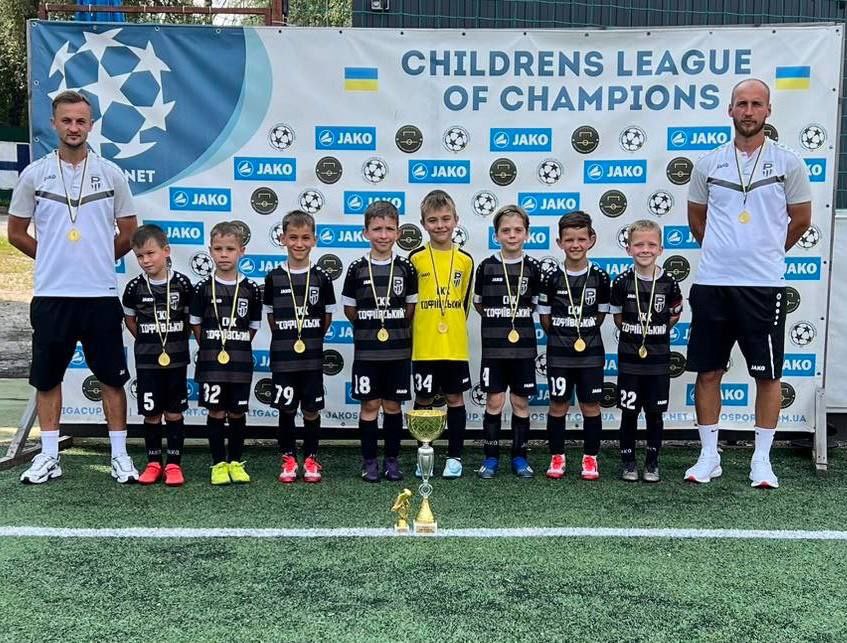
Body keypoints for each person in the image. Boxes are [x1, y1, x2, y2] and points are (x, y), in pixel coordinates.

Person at [685, 78, 812, 489]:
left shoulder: (789, 163)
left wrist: (766, 254)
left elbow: (801, 220)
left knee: (768, 376)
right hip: (713, 283)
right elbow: (697, 221)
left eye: (757, 104)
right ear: (730, 110)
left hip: (763, 286)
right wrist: (725, 254)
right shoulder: (708, 164)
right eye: (742, 103)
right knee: (708, 372)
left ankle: (761, 460)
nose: (749, 111)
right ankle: (709, 456)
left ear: (768, 111)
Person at [9, 90, 139, 484]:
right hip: (52, 295)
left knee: (112, 378)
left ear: (91, 125)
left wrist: (96, 258)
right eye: (66, 120)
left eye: (81, 121)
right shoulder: (35, 174)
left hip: (100, 295)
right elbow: (16, 232)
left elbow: (129, 232)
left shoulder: (111, 174)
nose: (73, 127)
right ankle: (49, 455)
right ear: (54, 124)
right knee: (47, 378)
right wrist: (53, 257)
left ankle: (120, 455)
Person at [342, 201, 418, 482]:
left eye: (389, 229)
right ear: (366, 232)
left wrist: (390, 325)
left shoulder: (406, 268)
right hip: (367, 352)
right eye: (377, 229)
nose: (383, 235)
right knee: (370, 406)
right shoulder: (357, 269)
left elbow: (410, 309)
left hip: (397, 351)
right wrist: (371, 326)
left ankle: (392, 460)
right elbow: (350, 310)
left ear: (398, 233)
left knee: (393, 406)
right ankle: (369, 460)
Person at [538, 211, 610, 480]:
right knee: (558, 406)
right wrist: (563, 336)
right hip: (559, 354)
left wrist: (582, 331)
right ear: (559, 242)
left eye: (581, 239)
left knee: (591, 407)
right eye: (569, 239)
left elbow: (600, 315)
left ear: (591, 240)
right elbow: (545, 319)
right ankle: (557, 456)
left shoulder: (600, 277)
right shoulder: (551, 277)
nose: (575, 244)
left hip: (591, 353)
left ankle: (590, 458)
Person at [264, 210, 335, 483]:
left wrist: (309, 338)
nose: (299, 243)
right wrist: (289, 337)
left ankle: (312, 458)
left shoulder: (322, 277)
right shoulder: (273, 277)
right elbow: (271, 318)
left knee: (311, 409)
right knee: (286, 408)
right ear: (283, 238)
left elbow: (326, 318)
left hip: (312, 358)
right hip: (283, 357)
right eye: (293, 237)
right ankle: (288, 458)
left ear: (314, 240)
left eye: (305, 237)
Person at [189, 222, 262, 485]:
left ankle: (236, 462)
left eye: (230, 249)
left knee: (238, 413)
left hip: (240, 364)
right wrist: (214, 345)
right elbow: (196, 324)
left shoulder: (251, 289)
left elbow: (253, 327)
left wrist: (234, 344)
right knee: (216, 412)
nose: (223, 254)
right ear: (210, 251)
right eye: (218, 249)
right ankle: (218, 464)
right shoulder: (202, 288)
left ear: (241, 251)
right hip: (211, 364)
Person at [473, 205, 543, 479]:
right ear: (496, 235)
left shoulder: (533, 268)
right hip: (494, 349)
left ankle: (519, 457)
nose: (512, 235)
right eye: (506, 230)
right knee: (494, 401)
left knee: (520, 403)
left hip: (523, 349)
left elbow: (535, 305)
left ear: (527, 234)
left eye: (517, 230)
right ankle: (491, 458)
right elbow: (479, 304)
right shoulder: (486, 266)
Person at [408, 190, 474, 478]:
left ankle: (455, 458)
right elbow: (410, 303)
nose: (440, 225)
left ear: (456, 220)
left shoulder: (466, 260)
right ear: (424, 223)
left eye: (446, 219)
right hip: (424, 344)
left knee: (455, 399)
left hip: (454, 345)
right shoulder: (415, 258)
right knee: (423, 399)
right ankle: (424, 456)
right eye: (433, 220)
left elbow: (465, 304)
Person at [610, 220, 682, 482]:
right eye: (639, 244)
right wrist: (637, 332)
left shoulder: (670, 283)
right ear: (628, 248)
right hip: (630, 361)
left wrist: (654, 331)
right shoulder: (621, 282)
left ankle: (652, 462)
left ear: (660, 249)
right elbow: (618, 318)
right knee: (629, 413)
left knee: (655, 414)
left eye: (651, 244)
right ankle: (628, 462)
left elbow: (674, 314)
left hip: (658, 362)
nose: (645, 249)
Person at [122, 224, 193, 486]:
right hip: (147, 361)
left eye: (150, 253)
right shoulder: (134, 287)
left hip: (176, 360)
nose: (146, 260)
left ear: (166, 251)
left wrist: (174, 339)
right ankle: (153, 462)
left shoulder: (182, 284)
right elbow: (130, 320)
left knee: (174, 413)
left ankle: (173, 464)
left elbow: (190, 321)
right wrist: (146, 338)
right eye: (140, 256)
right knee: (151, 413)